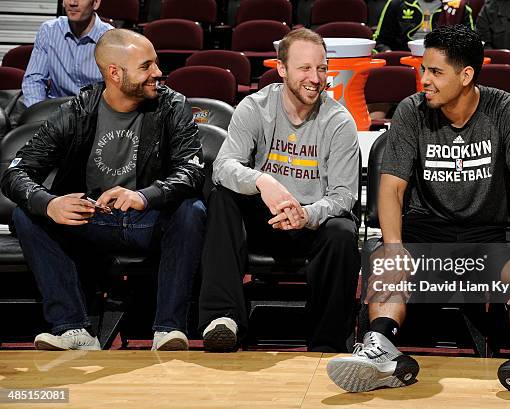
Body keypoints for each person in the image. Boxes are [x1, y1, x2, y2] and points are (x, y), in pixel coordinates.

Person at [327, 25, 510, 400]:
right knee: (386, 264)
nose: (424, 79)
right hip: (426, 230)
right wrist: (393, 247)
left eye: (435, 72)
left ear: (466, 75)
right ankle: (380, 350)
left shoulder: (507, 111)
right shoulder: (412, 111)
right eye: (424, 69)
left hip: (491, 231)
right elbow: (391, 189)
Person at [1, 29, 207, 351]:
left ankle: (168, 330)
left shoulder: (171, 106)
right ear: (115, 72)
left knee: (192, 210)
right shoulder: (77, 111)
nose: (157, 73)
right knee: (25, 214)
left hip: (147, 220)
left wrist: (144, 195)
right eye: (146, 66)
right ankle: (74, 329)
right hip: (93, 219)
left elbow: (192, 171)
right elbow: (16, 171)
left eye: (155, 64)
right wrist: (49, 203)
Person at [197, 28, 360, 353]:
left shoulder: (339, 121)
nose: (315, 78)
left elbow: (344, 196)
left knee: (343, 230)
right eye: (305, 68)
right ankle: (223, 319)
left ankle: (327, 343)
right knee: (222, 197)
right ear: (282, 68)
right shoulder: (255, 107)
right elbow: (224, 166)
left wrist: (307, 215)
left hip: (311, 225)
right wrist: (263, 181)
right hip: (262, 220)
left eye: (322, 68)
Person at [22, 0, 113, 107]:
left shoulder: (111, 39)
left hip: (96, 114)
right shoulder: (48, 31)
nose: (73, 2)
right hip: (55, 112)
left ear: (96, 3)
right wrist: (37, 115)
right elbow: (34, 80)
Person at [373, 0, 475, 52]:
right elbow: (380, 41)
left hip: (444, 61)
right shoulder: (397, 4)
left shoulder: (458, 7)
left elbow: (471, 43)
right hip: (405, 58)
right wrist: (389, 53)